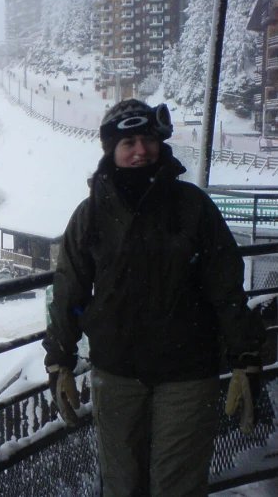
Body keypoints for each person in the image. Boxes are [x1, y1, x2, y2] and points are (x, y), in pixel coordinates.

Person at [42, 99, 265, 497]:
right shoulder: (91, 213)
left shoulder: (192, 207)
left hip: (187, 375)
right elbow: (69, 288)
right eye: (128, 142)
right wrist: (60, 358)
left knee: (176, 487)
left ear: (160, 143)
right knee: (122, 484)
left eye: (147, 139)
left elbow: (226, 289)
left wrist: (245, 360)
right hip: (116, 375)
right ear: (111, 149)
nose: (140, 150)